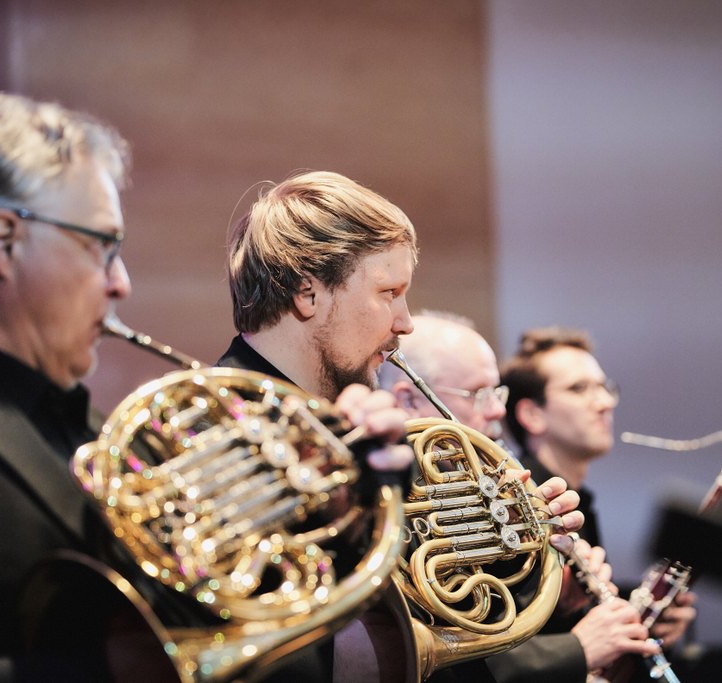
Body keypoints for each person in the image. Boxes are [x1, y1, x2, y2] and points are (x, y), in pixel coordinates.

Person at [0, 96, 407, 683]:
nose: (121, 283)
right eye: (103, 246)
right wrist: (105, 673)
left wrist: (344, 513)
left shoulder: (103, 436)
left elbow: (249, 629)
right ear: (3, 243)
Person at [220, 172, 586, 681]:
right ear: (307, 293)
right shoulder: (222, 431)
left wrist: (518, 550)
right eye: (388, 292)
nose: (405, 321)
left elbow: (427, 596)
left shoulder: (357, 425)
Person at [380, 312, 663, 682]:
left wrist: (558, 603)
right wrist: (574, 650)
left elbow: (493, 616)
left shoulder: (482, 487)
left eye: (497, 393)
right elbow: (450, 653)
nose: (498, 409)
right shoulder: (388, 496)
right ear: (410, 401)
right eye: (478, 394)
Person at [500, 327, 698, 653]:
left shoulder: (581, 500)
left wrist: (644, 622)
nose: (605, 402)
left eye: (605, 388)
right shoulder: (513, 509)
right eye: (580, 389)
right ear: (532, 414)